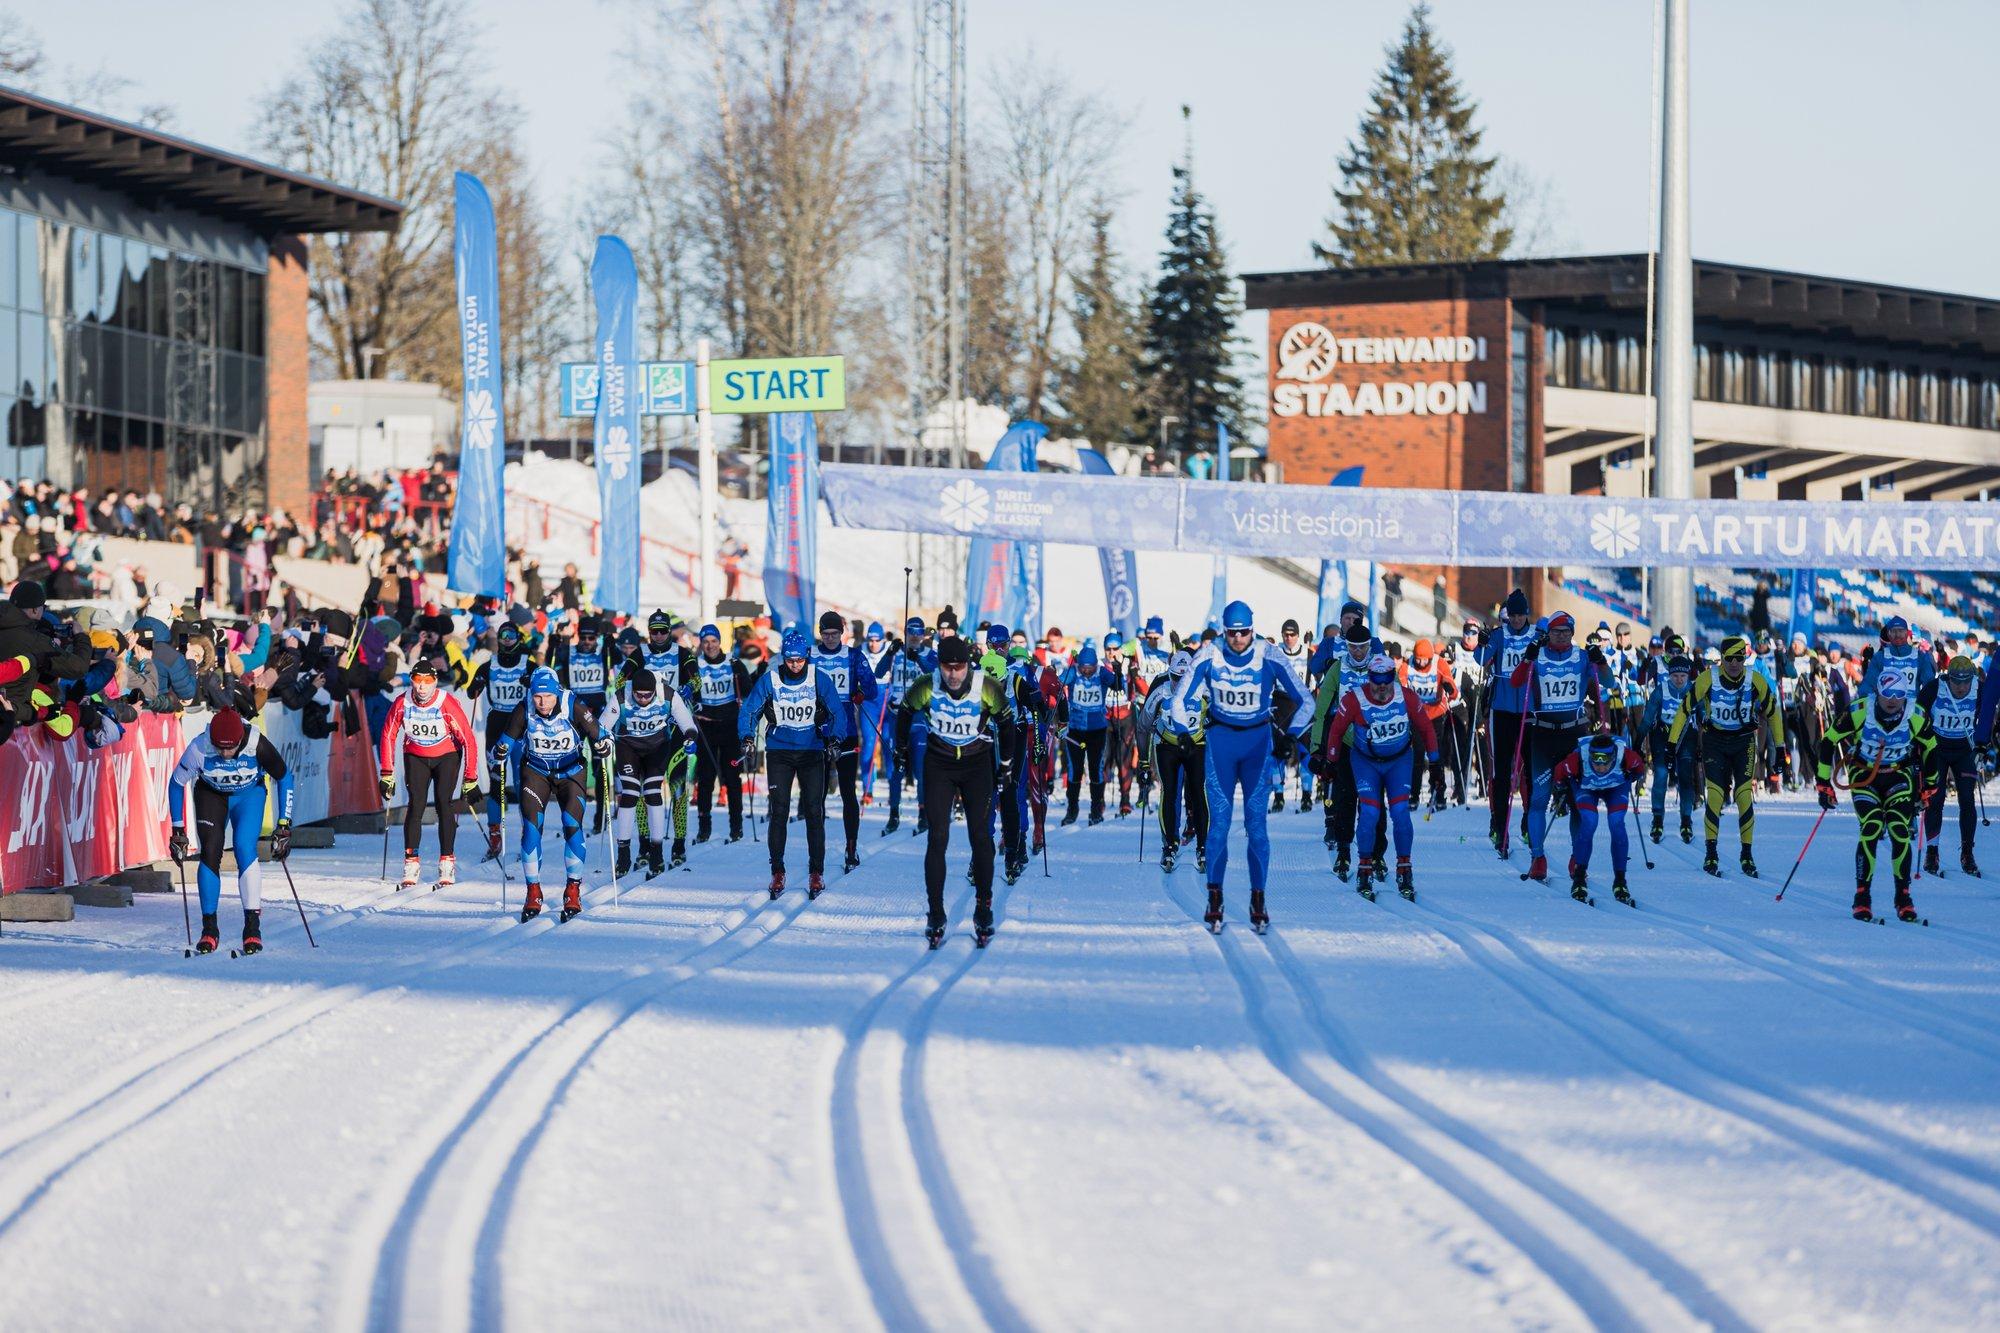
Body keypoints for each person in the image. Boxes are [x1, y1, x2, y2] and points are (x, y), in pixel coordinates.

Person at [1172, 599, 1309, 932]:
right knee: (1218, 825)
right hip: (1220, 745)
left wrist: (1290, 736)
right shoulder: (1209, 654)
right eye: (1232, 633)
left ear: (1252, 629)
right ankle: (1214, 897)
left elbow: (1306, 700)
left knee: (1256, 826)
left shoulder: (1268, 654)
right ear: (1224, 631)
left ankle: (1258, 898)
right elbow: (1180, 699)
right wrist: (1183, 732)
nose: (1237, 639)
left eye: (1244, 632)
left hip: (1257, 747)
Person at [896, 634, 1018, 946]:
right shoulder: (927, 684)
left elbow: (1006, 723)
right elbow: (905, 711)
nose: (953, 674)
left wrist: (1006, 764)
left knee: (980, 836)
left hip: (977, 765)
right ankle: (936, 913)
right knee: (938, 836)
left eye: (959, 667)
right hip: (940, 764)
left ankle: (984, 908)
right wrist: (900, 750)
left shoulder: (985, 686)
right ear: (939, 666)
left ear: (968, 665)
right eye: (947, 667)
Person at [168, 707, 296, 955]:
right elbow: (176, 783)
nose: (225, 754)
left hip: (248, 796)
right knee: (210, 852)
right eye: (220, 748)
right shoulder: (199, 746)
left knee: (245, 849)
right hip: (211, 795)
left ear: (240, 740)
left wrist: (284, 825)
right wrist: (178, 829)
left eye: (231, 748)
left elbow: (285, 777)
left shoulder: (257, 743)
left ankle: (252, 928)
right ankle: (209, 929)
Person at [1318, 653, 1437, 900]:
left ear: (1393, 677)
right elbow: (1336, 731)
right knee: (1370, 812)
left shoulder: (1406, 696)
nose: (1382, 687)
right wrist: (1330, 761)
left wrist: (1435, 763)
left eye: (1386, 680)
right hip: (1366, 763)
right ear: (1369, 678)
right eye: (1376, 681)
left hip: (1398, 763)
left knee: (1400, 812)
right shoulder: (1354, 699)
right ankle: (1364, 867)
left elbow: (1426, 728)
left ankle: (1404, 867)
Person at [493, 666, 607, 922]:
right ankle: (533, 892)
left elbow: (601, 734)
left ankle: (573, 890)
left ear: (557, 693)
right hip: (536, 772)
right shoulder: (524, 708)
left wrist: (604, 745)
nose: (543, 703)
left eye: (548, 696)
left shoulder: (573, 705)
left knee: (572, 826)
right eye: (537, 696)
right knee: (531, 830)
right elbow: (505, 741)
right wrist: (500, 751)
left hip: (571, 772)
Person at [739, 628, 844, 898]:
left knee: (814, 811)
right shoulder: (770, 679)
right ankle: (777, 870)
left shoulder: (818, 678)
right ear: (783, 658)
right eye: (790, 660)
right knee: (779, 811)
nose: (795, 665)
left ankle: (816, 871)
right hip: (780, 752)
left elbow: (837, 711)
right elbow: (750, 710)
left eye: (799, 660)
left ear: (806, 656)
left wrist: (835, 739)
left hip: (811, 751)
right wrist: (747, 737)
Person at [1817, 687, 1938, 922]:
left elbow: (1931, 746)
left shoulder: (1915, 714)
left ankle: (1903, 897)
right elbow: (1829, 739)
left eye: (1898, 695)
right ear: (1878, 693)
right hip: (1864, 775)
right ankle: (1862, 896)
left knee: (1899, 829)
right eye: (1887, 694)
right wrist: (1823, 783)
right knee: (1871, 825)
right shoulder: (1860, 710)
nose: (1892, 700)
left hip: (1898, 775)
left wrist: (1930, 784)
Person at [1669, 635, 1783, 877]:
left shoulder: (1755, 679)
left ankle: (1747, 854)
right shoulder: (1708, 678)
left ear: (1745, 658)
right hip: (1715, 742)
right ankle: (1711, 853)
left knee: (1744, 797)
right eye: (1729, 658)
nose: (1734, 663)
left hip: (1743, 743)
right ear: (1721, 658)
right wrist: (1671, 744)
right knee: (1715, 796)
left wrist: (1781, 748)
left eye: (1739, 658)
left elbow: (1773, 712)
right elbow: (1684, 709)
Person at [1509, 611, 1608, 884]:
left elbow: (1609, 682)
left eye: (1566, 632)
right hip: (1543, 735)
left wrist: (1601, 662)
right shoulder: (1538, 656)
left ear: (1572, 633)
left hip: (1574, 737)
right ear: (1549, 633)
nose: (1561, 636)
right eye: (1556, 632)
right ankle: (1537, 858)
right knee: (1538, 800)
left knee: (1578, 802)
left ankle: (1577, 858)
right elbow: (1516, 682)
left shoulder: (1582, 657)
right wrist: (1527, 658)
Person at [377, 661, 479, 891]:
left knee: (444, 803)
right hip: (416, 755)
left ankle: (447, 863)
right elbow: (388, 735)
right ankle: (411, 863)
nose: (422, 687)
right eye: (417, 681)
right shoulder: (402, 702)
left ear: (435, 682)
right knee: (416, 806)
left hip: (447, 756)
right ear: (411, 681)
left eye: (428, 681)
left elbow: (468, 739)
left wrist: (471, 779)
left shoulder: (446, 702)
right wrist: (387, 774)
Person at [808, 610, 879, 870]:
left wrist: (859, 692)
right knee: (816, 795)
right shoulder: (810, 655)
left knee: (848, 792)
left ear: (842, 633)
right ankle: (817, 851)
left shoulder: (853, 656)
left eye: (834, 634)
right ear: (820, 634)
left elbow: (871, 688)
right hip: (816, 731)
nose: (830, 638)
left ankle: (851, 847)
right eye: (826, 634)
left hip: (845, 731)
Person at [612, 667, 700, 877]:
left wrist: (690, 738)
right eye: (638, 695)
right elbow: (603, 725)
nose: (642, 699)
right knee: (630, 793)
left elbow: (687, 722)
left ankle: (657, 852)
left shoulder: (668, 694)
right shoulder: (622, 695)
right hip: (628, 746)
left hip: (657, 747)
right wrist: (602, 741)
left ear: (654, 691)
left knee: (652, 792)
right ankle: (623, 854)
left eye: (647, 695)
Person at [1475, 589, 1537, 858]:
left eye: (1520, 615)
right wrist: (1482, 643)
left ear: (1527, 614)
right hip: (1502, 709)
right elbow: (1481, 660)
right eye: (1512, 615)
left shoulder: (1536, 635)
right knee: (1501, 772)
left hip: (1529, 710)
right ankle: (1501, 827)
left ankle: (1529, 823)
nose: (1516, 620)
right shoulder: (1500, 635)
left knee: (1530, 770)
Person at [1553, 728, 1646, 906]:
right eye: (1596, 762)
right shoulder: (1577, 759)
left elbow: (1639, 768)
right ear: (1590, 756)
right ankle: (1579, 878)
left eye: (1605, 763)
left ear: (1613, 757)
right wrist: (1561, 786)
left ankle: (1620, 881)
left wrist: (1632, 778)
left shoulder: (1626, 756)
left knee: (1616, 823)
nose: (1601, 767)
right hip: (1587, 788)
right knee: (1589, 821)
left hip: (1616, 788)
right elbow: (1559, 773)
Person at [467, 620, 533, 859]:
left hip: (521, 727)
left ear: (518, 638)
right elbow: (471, 692)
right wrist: (476, 684)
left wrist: (533, 683)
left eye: (510, 635)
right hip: (497, 727)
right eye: (502, 635)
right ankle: (495, 838)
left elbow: (549, 690)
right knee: (497, 784)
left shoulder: (529, 665)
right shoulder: (488, 666)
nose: (506, 640)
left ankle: (528, 836)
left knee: (524, 783)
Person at [1138, 649, 1207, 872]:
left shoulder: (1204, 688)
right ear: (1170, 675)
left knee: (1198, 792)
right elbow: (1142, 726)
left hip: (1196, 744)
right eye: (1176, 678)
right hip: (1167, 745)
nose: (1180, 684)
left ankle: (1203, 846)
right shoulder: (1161, 689)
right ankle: (1169, 844)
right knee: (1169, 792)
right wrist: (1143, 762)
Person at [1917, 655, 1981, 877]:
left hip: (1965, 751)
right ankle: (1932, 852)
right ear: (1948, 678)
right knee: (1935, 799)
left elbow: (1986, 716)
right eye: (1956, 682)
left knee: (1967, 799)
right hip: (1937, 749)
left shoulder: (1979, 689)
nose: (1961, 687)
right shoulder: (1935, 688)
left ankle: (1967, 853)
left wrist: (1983, 744)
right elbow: (1917, 715)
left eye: (1966, 682)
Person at [691, 624, 752, 843]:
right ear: (701, 643)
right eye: (706, 642)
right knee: (705, 778)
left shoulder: (733, 664)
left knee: (732, 778)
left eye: (714, 641)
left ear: (720, 642)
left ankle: (736, 826)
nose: (710, 646)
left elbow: (748, 689)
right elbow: (687, 691)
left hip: (729, 726)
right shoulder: (695, 665)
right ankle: (704, 828)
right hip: (705, 727)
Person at [878, 617, 936, 835]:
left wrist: (918, 659)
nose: (914, 637)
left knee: (921, 768)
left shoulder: (929, 653)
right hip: (896, 715)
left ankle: (923, 814)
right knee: (896, 768)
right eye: (911, 632)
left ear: (923, 635)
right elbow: (878, 673)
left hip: (918, 716)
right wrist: (889, 653)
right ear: (905, 632)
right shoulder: (897, 653)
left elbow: (935, 675)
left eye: (918, 633)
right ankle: (894, 814)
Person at [1641, 654, 1699, 844]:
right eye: (1675, 676)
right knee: (1660, 775)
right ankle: (1657, 819)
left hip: (1686, 737)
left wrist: (1704, 743)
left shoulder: (1693, 691)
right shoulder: (1661, 690)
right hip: (1662, 737)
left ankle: (1686, 820)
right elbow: (1647, 719)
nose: (1679, 680)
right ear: (1669, 675)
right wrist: (1637, 743)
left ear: (1688, 675)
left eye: (1683, 676)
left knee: (1685, 777)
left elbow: (1704, 717)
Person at [1400, 638, 1457, 814]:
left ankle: (1438, 793)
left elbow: (1453, 689)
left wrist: (1448, 687)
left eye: (1425, 660)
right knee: (1417, 755)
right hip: (1417, 715)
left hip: (1435, 714)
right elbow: (1399, 686)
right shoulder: (1407, 665)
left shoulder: (1439, 663)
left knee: (1435, 754)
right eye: (1418, 659)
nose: (1421, 663)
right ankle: (1413, 795)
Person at [1059, 644, 1110, 824]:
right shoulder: (1074, 671)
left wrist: (1117, 672)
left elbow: (1115, 682)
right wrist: (1063, 672)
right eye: (1083, 668)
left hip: (1097, 730)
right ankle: (1072, 809)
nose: (1087, 672)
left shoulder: (1101, 672)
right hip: (1076, 730)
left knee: (1096, 769)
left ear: (1096, 665)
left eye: (1090, 669)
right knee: (1075, 770)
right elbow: (1060, 682)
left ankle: (1096, 809)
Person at [1861, 615, 1935, 705]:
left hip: (1910, 706)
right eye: (1893, 632)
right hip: (1886, 706)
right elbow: (1868, 684)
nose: (1897, 636)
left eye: (1901, 632)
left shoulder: (1919, 657)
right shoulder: (1880, 657)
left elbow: (1930, 685)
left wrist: (1924, 705)